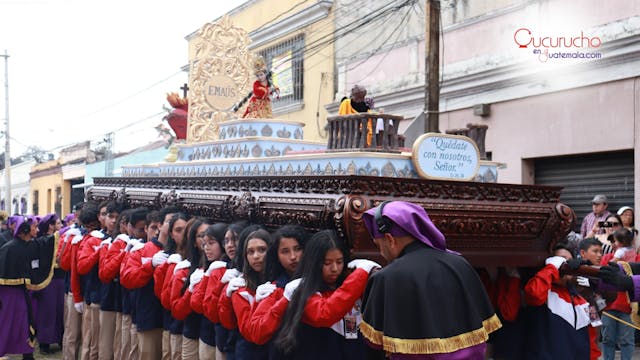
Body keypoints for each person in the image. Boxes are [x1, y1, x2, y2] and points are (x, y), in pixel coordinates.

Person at [359, 201, 500, 359]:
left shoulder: (386, 277)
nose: (382, 253)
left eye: (379, 245)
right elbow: (485, 325)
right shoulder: (461, 264)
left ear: (390, 239)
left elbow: (373, 341)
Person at [272, 229, 380, 359]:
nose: (334, 269)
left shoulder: (349, 282)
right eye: (327, 263)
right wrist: (361, 273)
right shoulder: (301, 288)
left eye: (339, 262)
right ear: (315, 263)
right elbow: (325, 313)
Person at [0, 216, 57, 359]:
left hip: (21, 294)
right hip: (7, 296)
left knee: (25, 324)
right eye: (34, 227)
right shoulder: (9, 249)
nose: (37, 229)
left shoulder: (28, 246)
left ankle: (28, 354)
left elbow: (43, 244)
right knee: (5, 324)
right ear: (25, 230)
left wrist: (60, 234)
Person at [599, 228, 637, 360]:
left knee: (626, 341)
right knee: (607, 339)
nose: (613, 244)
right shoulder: (606, 258)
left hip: (629, 307)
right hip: (609, 306)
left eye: (614, 241)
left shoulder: (636, 257)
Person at [33, 213, 64, 355]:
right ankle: (45, 343)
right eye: (58, 223)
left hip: (60, 280)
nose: (61, 226)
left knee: (60, 312)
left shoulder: (57, 238)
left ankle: (60, 339)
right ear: (50, 226)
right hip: (48, 282)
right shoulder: (42, 241)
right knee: (47, 313)